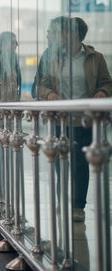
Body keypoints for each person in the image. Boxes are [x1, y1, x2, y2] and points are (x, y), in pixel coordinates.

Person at [37, 16, 112, 222]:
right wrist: (49, 94)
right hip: (61, 119)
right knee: (62, 162)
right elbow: (42, 85)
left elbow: (107, 82)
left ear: (76, 34)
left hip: (84, 119)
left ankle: (78, 205)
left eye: (66, 31)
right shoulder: (55, 57)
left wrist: (103, 92)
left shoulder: (95, 57)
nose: (62, 35)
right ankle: (63, 200)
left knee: (80, 164)